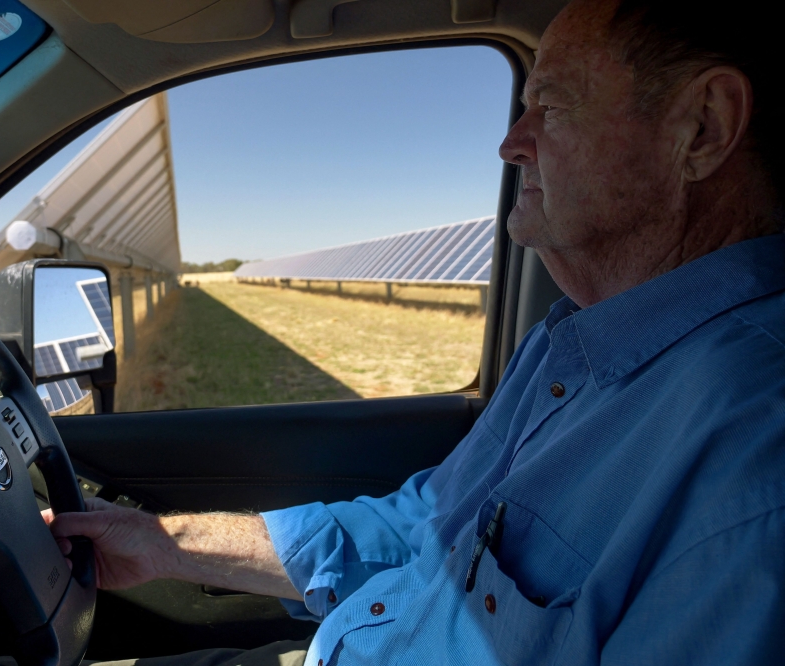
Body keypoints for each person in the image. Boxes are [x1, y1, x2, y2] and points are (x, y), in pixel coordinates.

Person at [45, 0, 785, 663]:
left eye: (550, 106)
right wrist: (163, 542)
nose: (511, 142)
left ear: (703, 127)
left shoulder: (753, 454)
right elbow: (423, 525)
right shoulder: (567, 351)